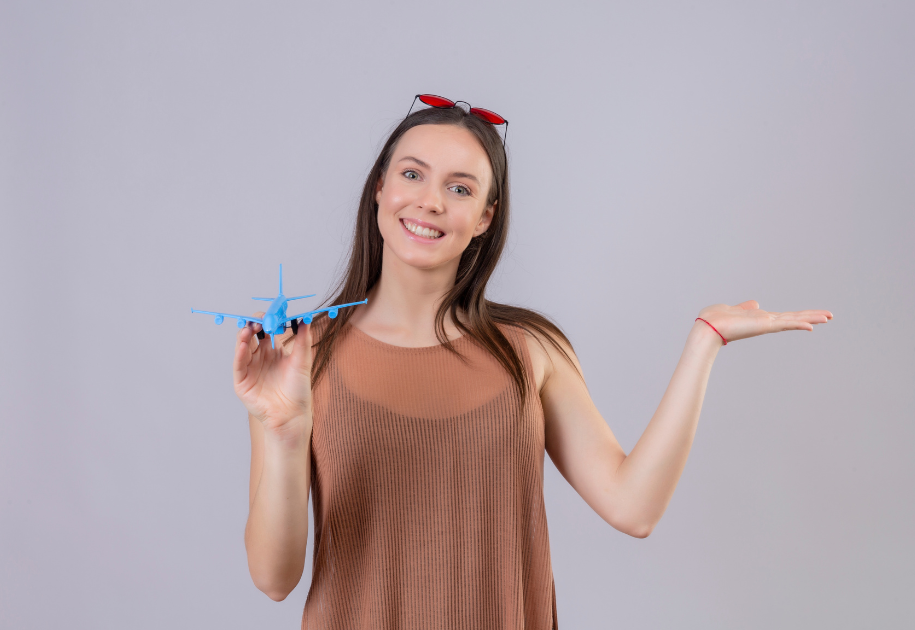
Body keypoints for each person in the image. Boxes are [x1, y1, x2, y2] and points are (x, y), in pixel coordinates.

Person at [232, 95, 833, 629]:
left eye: (460, 188)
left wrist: (706, 340)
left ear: (485, 217)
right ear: (380, 191)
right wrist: (283, 431)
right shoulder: (301, 353)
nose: (431, 201)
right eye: (412, 174)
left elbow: (633, 507)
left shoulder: (529, 350)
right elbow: (273, 578)